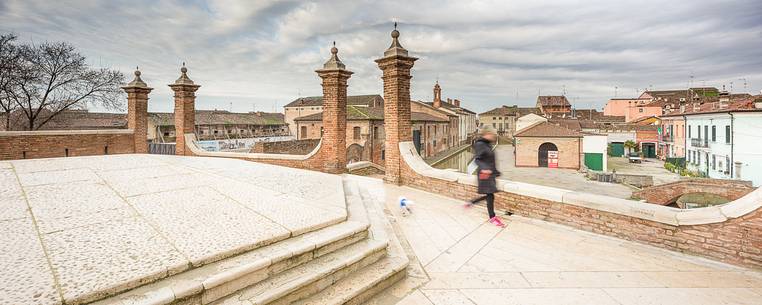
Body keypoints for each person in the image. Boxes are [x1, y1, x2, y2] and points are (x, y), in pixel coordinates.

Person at [464, 125, 506, 227]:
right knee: (490, 195)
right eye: (492, 134)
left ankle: (471, 202)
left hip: (489, 174)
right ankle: (492, 217)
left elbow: (490, 160)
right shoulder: (480, 144)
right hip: (484, 174)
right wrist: (484, 169)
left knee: (489, 195)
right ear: (486, 134)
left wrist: (496, 172)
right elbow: (477, 159)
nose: (493, 136)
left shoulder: (488, 144)